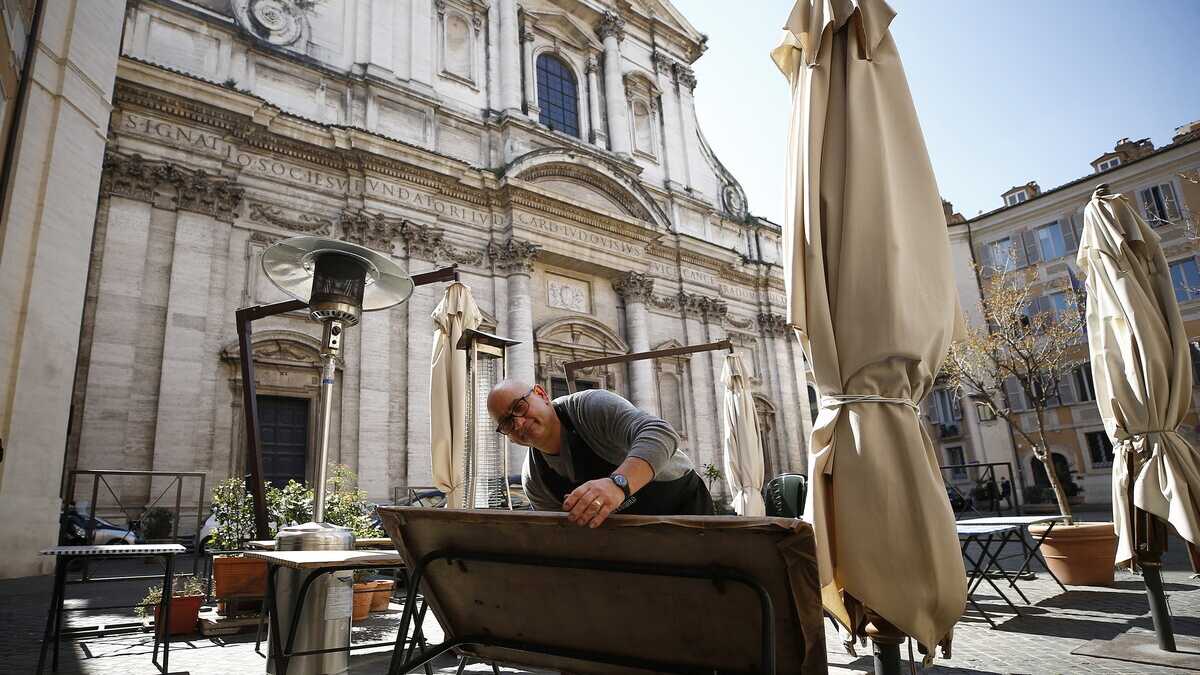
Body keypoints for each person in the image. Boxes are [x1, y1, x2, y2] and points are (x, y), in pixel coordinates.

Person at [486, 380, 714, 528]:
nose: (518, 422)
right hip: (629, 543)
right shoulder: (535, 481)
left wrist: (617, 485)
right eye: (506, 422)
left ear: (541, 393)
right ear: (508, 436)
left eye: (519, 407)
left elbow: (661, 433)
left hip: (685, 510)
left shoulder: (590, 407)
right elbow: (563, 534)